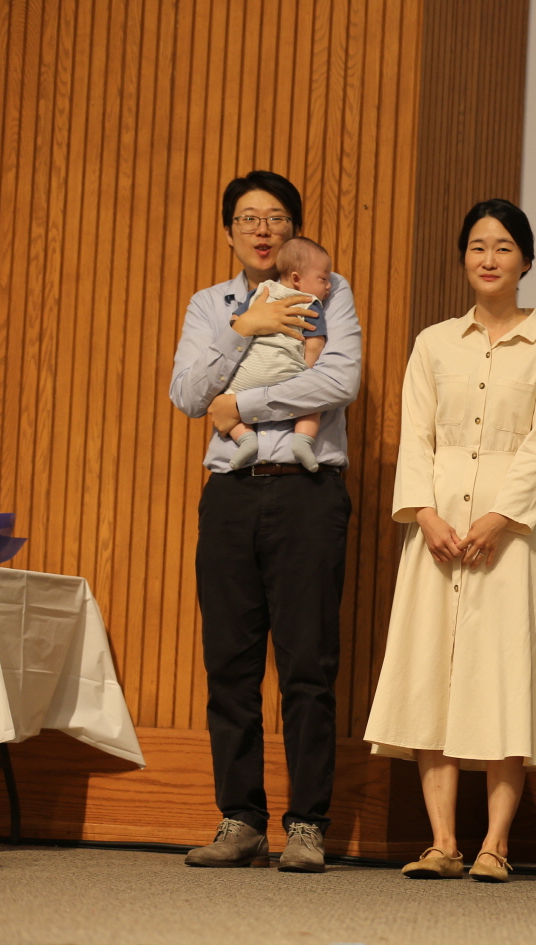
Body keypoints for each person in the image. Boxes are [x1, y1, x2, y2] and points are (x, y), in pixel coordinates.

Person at [363, 198, 536, 883]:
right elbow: (416, 435)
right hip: (437, 530)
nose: (489, 258)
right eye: (478, 246)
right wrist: (424, 515)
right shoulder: (433, 343)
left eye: (504, 247)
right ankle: (444, 842)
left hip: (508, 535)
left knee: (505, 676)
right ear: (463, 259)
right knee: (433, 674)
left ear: (527, 261)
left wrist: (500, 518)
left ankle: (496, 844)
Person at [169, 170, 362, 872]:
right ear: (229, 233)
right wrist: (241, 331)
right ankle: (241, 819)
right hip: (230, 492)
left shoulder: (327, 291)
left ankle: (307, 824)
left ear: (293, 231)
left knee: (308, 663)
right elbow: (189, 393)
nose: (261, 229)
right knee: (230, 662)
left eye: (276, 217)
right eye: (248, 218)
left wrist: (242, 406)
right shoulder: (210, 305)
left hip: (308, 490)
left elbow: (338, 381)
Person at [222, 236, 333, 472]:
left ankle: (245, 439)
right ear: (296, 278)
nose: (328, 286)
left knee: (225, 398)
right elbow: (315, 344)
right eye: (323, 279)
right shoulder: (310, 303)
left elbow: (235, 321)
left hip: (248, 373)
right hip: (287, 374)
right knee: (312, 402)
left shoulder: (260, 292)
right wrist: (306, 371)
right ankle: (302, 441)